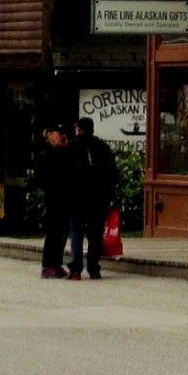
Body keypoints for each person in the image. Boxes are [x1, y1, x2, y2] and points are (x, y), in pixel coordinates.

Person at [67, 117, 117, 280]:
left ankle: (75, 269)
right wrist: (108, 195)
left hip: (77, 198)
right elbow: (113, 174)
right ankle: (93, 268)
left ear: (80, 130)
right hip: (98, 199)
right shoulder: (103, 147)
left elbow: (63, 173)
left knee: (76, 232)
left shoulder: (72, 147)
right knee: (95, 234)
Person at [33, 123, 76, 278]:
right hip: (53, 199)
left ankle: (56, 264)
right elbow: (42, 177)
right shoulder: (46, 154)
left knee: (62, 233)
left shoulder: (64, 152)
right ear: (49, 135)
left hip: (65, 198)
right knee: (53, 232)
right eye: (58, 133)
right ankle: (47, 265)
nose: (61, 136)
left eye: (62, 133)